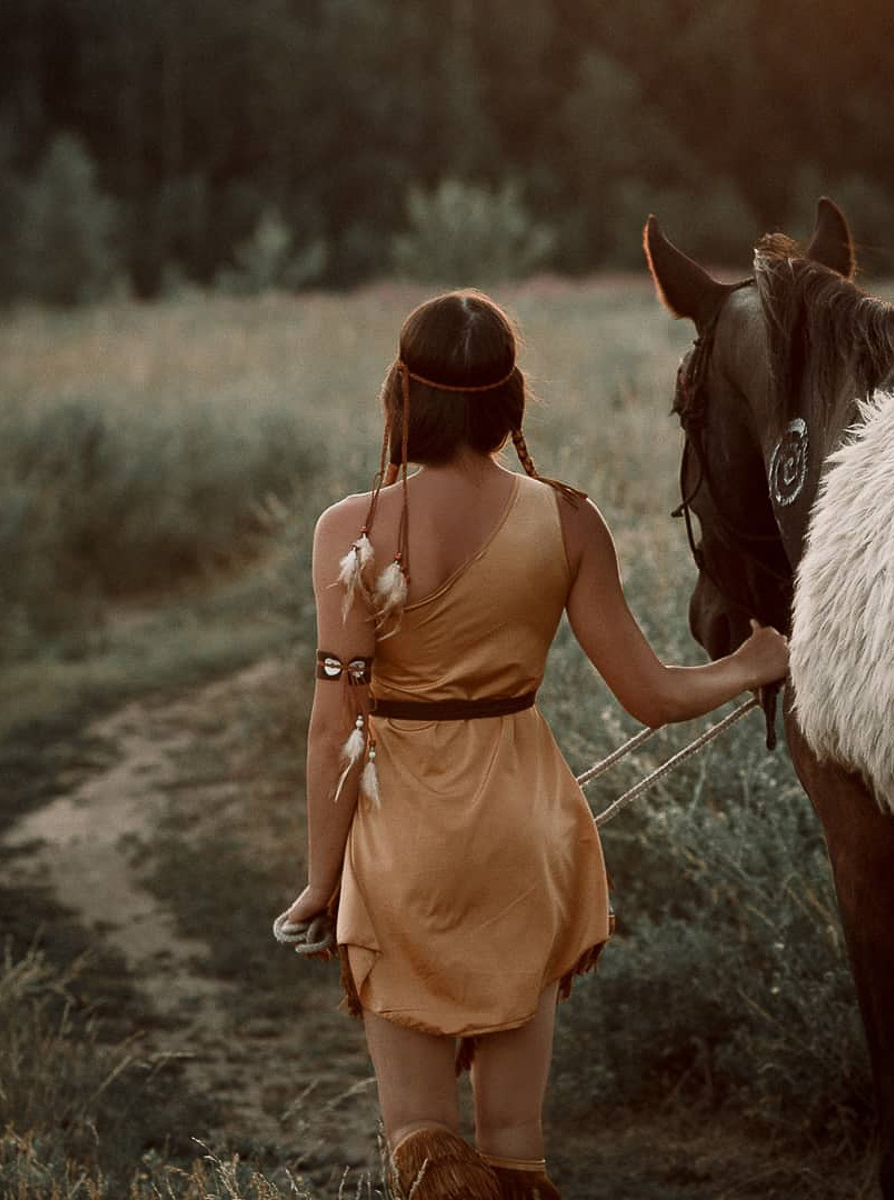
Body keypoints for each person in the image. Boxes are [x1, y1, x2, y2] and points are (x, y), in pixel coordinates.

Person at [276, 289, 789, 1199]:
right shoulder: (568, 520)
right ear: (510, 399)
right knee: (516, 1141)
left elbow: (335, 722)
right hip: (527, 832)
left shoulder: (348, 531)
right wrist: (752, 665)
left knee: (425, 1144)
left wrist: (324, 879)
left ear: (404, 393)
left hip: (406, 844)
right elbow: (654, 695)